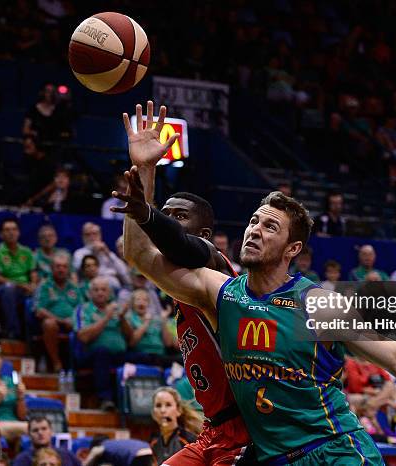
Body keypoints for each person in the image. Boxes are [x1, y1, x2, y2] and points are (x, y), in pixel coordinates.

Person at [115, 102, 396, 465]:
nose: (254, 230)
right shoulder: (220, 294)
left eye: (270, 226)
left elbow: (395, 356)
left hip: (336, 451)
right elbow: (141, 257)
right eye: (253, 222)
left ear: (292, 248)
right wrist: (145, 172)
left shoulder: (316, 303)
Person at [112, 101, 252, 466]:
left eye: (179, 217)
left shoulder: (217, 267)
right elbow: (137, 253)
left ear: (205, 233)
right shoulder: (181, 288)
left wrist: (149, 213)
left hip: (246, 430)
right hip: (213, 431)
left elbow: (178, 243)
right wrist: (145, 169)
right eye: (165, 213)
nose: (167, 221)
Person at [73, 277, 126, 411]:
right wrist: (106, 317)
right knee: (102, 353)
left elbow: (131, 339)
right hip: (90, 355)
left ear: (109, 293)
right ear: (90, 293)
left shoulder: (117, 309)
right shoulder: (83, 309)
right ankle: (105, 399)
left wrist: (123, 318)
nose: (100, 293)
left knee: (145, 357)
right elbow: (83, 337)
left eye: (103, 290)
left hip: (118, 354)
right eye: (96, 290)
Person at [0, 218, 38, 339]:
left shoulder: (27, 252)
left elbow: (33, 272)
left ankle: (33, 334)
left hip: (24, 290)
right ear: (1, 234)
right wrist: (20, 285)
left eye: (14, 229)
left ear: (19, 233)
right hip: (1, 290)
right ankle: (13, 331)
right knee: (9, 289)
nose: (11, 233)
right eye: (7, 230)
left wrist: (33, 285)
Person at [33, 252, 81, 372]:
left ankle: (79, 365)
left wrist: (73, 320)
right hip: (52, 323)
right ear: (52, 268)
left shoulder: (74, 287)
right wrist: (61, 321)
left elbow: (81, 308)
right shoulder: (44, 285)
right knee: (49, 324)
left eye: (64, 267)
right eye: (58, 266)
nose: (61, 269)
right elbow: (39, 310)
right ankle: (56, 362)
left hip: (72, 322)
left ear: (69, 269)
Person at [121, 288, 177, 367]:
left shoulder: (157, 319)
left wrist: (163, 321)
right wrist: (146, 323)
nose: (141, 303)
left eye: (145, 300)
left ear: (148, 303)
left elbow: (168, 344)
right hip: (140, 354)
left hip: (159, 355)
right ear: (132, 303)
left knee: (178, 362)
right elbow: (132, 343)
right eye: (138, 300)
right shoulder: (129, 318)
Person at [72, 222, 130, 292]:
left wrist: (107, 253)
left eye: (95, 234)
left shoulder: (108, 253)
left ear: (100, 235)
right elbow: (78, 271)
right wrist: (93, 252)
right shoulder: (79, 253)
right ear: (83, 237)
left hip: (114, 289)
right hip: (91, 288)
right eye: (88, 234)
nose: (92, 237)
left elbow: (124, 273)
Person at [150, 387, 200, 465]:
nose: (163, 410)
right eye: (158, 405)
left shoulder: (189, 441)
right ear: (153, 413)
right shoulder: (153, 442)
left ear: (178, 410)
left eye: (168, 405)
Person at [12, 416, 81, 466]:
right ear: (29, 435)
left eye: (44, 429)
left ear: (51, 431)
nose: (40, 433)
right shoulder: (22, 460)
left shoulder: (67, 456)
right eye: (35, 430)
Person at [79, 435, 152, 466]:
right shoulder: (114, 445)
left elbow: (95, 452)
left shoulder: (103, 445)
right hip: (149, 451)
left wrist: (85, 464)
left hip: (137, 455)